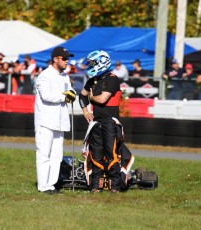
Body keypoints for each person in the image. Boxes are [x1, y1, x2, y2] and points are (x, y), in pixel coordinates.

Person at [79, 50, 134, 193]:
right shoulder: (92, 80)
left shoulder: (112, 79)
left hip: (110, 122)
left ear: (101, 62)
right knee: (96, 153)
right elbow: (82, 95)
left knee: (112, 154)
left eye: (92, 63)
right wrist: (85, 111)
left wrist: (91, 97)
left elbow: (102, 99)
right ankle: (96, 185)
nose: (90, 66)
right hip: (96, 122)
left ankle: (114, 185)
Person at [34, 46, 76, 194]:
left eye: (68, 58)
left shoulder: (64, 76)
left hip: (61, 122)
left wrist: (72, 94)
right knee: (44, 154)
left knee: (57, 156)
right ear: (55, 59)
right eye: (64, 58)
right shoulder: (44, 76)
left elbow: (70, 91)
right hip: (46, 121)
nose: (67, 61)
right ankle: (43, 186)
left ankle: (51, 185)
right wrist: (64, 96)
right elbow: (46, 96)